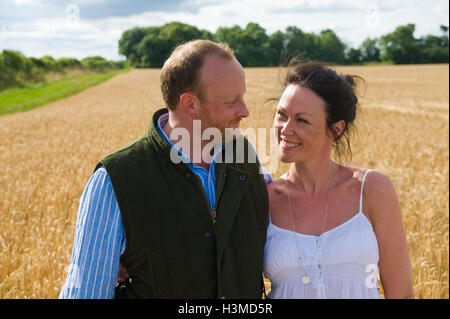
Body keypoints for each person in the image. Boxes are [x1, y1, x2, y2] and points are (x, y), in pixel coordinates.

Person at [59, 39, 269, 299]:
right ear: (190, 105)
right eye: (231, 101)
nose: (245, 110)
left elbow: (292, 220)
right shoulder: (115, 181)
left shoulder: (246, 157)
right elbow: (86, 293)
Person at [263, 60, 414, 298]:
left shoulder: (372, 189)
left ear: (336, 128)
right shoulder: (263, 197)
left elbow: (401, 293)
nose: (285, 129)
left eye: (302, 120)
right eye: (281, 115)